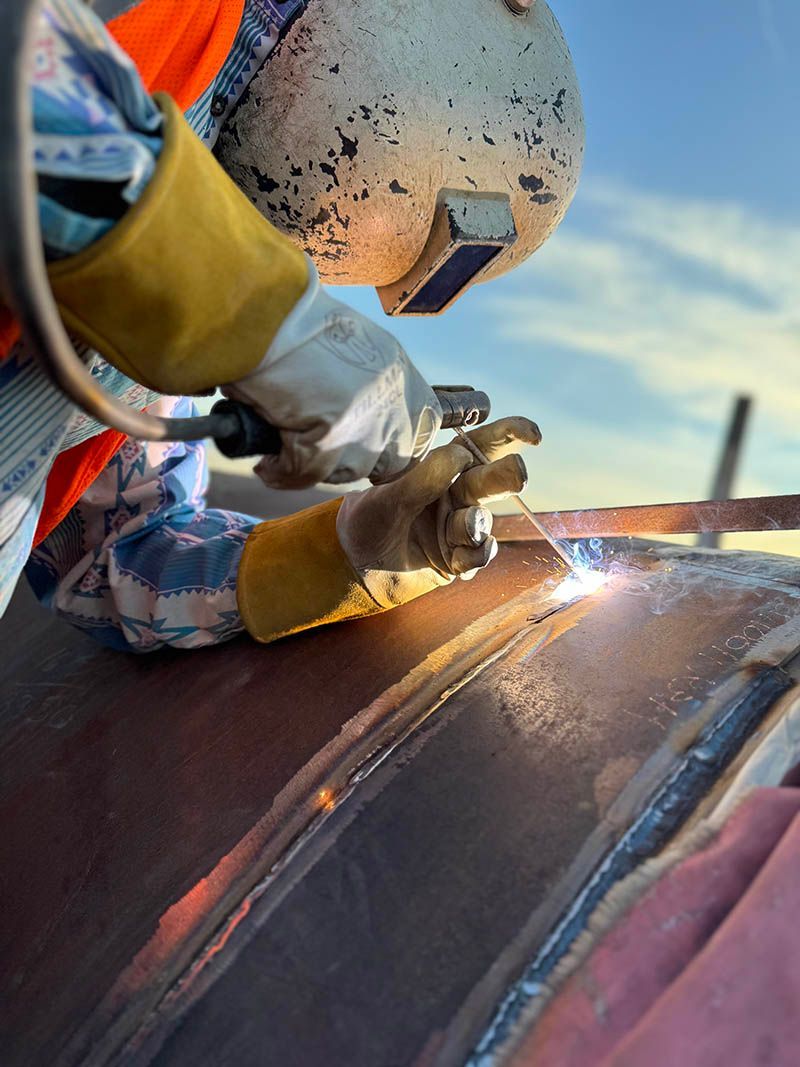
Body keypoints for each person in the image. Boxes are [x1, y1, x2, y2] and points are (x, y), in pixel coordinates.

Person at [1, 0, 583, 650]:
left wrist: (334, 558)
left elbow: (110, 553)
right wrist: (256, 313)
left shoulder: (154, 341)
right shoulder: (163, 18)